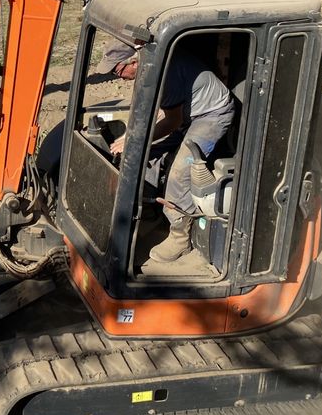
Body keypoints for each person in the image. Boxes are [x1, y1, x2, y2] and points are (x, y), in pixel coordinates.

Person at [100, 41, 235, 263]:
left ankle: (180, 237)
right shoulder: (148, 67)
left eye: (118, 70)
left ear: (134, 62)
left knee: (179, 173)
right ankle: (151, 207)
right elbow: (144, 110)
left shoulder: (166, 76)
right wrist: (129, 138)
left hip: (211, 115)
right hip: (189, 113)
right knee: (149, 154)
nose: (117, 76)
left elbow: (172, 122)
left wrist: (134, 141)